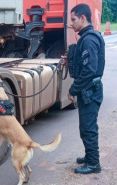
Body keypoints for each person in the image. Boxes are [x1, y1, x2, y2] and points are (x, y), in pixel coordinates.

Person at [62, 4, 105, 174]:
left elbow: (90, 70)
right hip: (89, 90)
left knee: (88, 128)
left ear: (82, 18)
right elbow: (85, 64)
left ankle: (94, 163)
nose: (71, 23)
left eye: (73, 19)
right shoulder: (88, 37)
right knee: (86, 126)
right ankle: (89, 157)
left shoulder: (88, 39)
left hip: (90, 91)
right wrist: (70, 61)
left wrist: (73, 89)